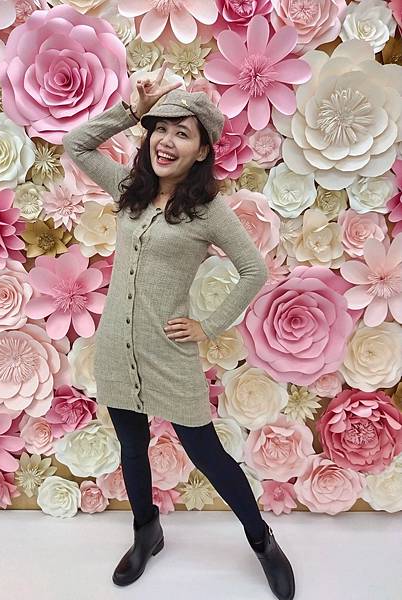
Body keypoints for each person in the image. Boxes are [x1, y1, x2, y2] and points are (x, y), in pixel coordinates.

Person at [62, 62, 295, 600]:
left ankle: (262, 541)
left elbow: (253, 269)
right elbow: (77, 144)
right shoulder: (130, 188)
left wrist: (207, 325)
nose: (165, 141)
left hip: (169, 351)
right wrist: (133, 110)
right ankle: (146, 531)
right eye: (160, 129)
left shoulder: (208, 211)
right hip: (117, 350)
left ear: (202, 149)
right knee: (132, 446)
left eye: (181, 133)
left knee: (206, 452)